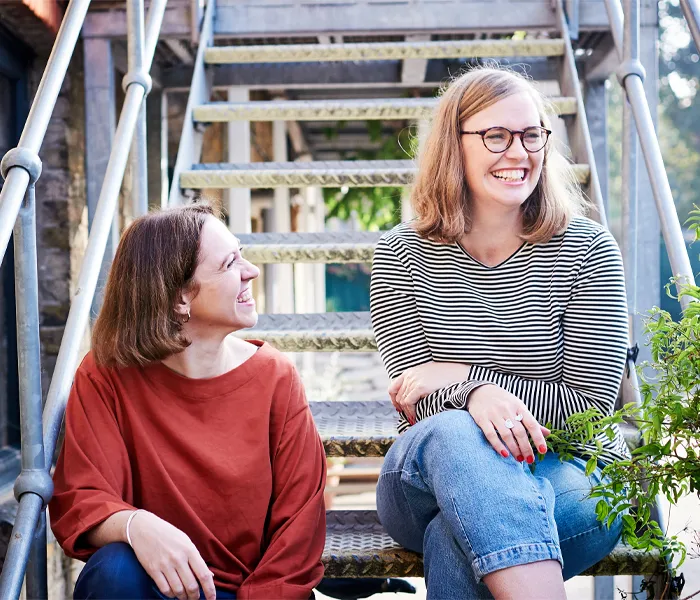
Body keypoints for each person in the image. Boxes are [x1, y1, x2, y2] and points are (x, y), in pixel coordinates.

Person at [369, 66, 630, 599]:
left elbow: (591, 404)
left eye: (531, 134)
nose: (518, 152)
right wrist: (476, 396)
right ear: (453, 146)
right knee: (454, 433)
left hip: (574, 469)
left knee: (454, 538)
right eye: (495, 136)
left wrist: (464, 378)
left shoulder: (588, 247)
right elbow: (415, 399)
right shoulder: (400, 252)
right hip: (429, 477)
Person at [49, 202, 327, 600]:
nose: (251, 271)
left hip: (253, 592)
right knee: (113, 573)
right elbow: (81, 495)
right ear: (180, 298)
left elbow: (298, 533)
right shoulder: (105, 374)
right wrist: (135, 525)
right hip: (156, 588)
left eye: (242, 255)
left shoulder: (275, 377)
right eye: (230, 263)